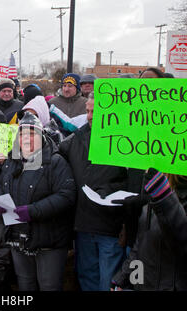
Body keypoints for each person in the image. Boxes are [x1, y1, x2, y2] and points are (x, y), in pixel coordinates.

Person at [0, 112, 76, 291]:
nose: (26, 138)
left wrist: (33, 211)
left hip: (49, 240)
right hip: (17, 236)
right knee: (25, 283)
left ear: (41, 135)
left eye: (32, 133)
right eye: (22, 134)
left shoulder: (55, 161)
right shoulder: (11, 160)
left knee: (49, 286)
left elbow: (66, 195)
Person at [58, 92, 128, 291]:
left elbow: (134, 182)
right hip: (83, 226)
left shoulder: (124, 141)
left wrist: (110, 190)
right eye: (88, 111)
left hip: (111, 226)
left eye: (95, 112)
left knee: (109, 281)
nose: (89, 116)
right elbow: (53, 156)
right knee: (87, 277)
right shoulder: (77, 138)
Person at [111, 171, 187, 290]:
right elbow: (141, 245)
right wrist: (123, 278)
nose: (146, 171)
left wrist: (163, 197)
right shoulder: (157, 198)